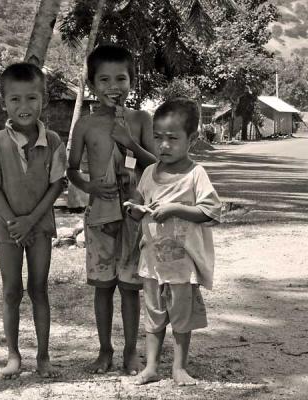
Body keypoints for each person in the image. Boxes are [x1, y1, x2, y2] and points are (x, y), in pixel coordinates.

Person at [67, 44, 156, 375]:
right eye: (104, 80)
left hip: (135, 215)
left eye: (121, 79)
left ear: (132, 82)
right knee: (103, 288)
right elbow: (72, 170)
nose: (113, 87)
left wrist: (130, 142)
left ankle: (131, 352)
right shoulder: (86, 125)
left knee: (130, 288)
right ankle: (105, 350)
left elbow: (157, 167)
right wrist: (89, 187)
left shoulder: (142, 120)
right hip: (100, 216)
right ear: (92, 85)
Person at [124, 98, 221, 386]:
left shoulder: (195, 174)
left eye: (172, 139)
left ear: (191, 139)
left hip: (182, 266)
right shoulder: (150, 173)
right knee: (153, 318)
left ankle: (179, 368)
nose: (163, 145)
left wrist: (176, 209)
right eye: (158, 138)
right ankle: (152, 367)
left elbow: (211, 211)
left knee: (181, 319)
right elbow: (138, 203)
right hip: (152, 264)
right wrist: (133, 209)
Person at [0, 62, 66, 379]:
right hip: (8, 229)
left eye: (31, 98)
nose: (23, 106)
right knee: (11, 291)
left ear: (42, 100)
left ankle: (43, 356)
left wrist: (30, 220)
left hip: (40, 227)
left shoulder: (54, 142)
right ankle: (13, 355)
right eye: (15, 99)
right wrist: (14, 221)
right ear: (4, 102)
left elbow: (56, 184)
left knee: (39, 288)